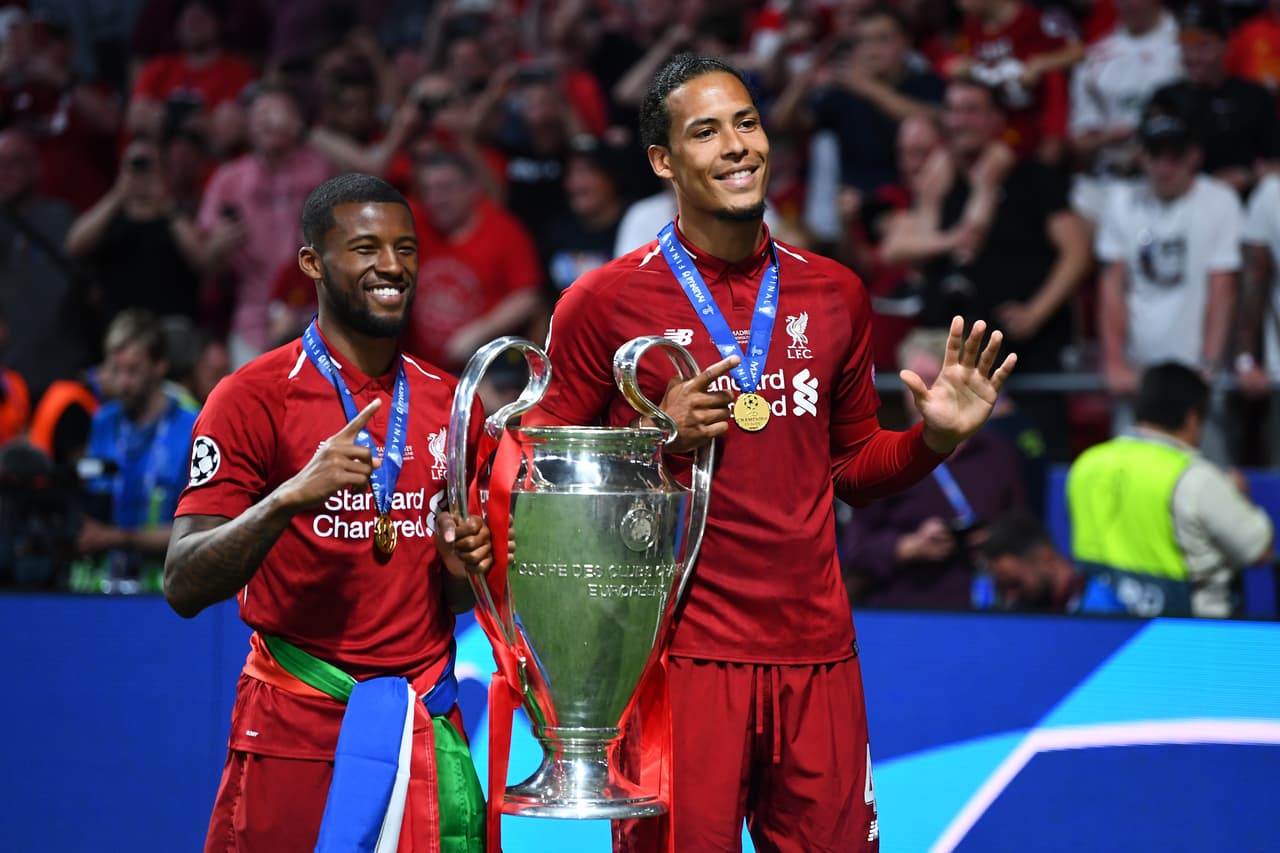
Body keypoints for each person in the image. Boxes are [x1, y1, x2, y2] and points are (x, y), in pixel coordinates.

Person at [522, 54, 1016, 853]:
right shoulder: (603, 302)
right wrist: (656, 439)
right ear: (663, 162)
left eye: (746, 123)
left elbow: (852, 468)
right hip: (679, 659)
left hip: (818, 651)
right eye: (706, 131)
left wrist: (934, 441)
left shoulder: (835, 293)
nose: (736, 147)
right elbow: (538, 475)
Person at [164, 173, 492, 852]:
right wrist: (288, 497)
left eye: (405, 247)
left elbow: (454, 596)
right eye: (366, 247)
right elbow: (184, 582)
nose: (393, 266)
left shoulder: (453, 404)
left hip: (418, 724)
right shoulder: (251, 397)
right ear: (312, 261)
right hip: (295, 722)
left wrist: (465, 566)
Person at [1066, 362, 1275, 618]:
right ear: (1192, 417)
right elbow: (1259, 550)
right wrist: (1241, 495)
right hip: (1185, 639)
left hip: (1100, 629)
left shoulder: (1086, 464)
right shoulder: (1198, 479)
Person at [841, 328, 1026, 610]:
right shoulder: (884, 455)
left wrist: (992, 540)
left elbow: (1024, 527)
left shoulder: (996, 453)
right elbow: (854, 551)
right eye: (910, 383)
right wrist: (909, 546)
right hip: (908, 612)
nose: (919, 393)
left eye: (929, 380)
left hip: (985, 610)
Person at [1095, 109, 1242, 461]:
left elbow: (1222, 289)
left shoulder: (1219, 200)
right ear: (1142, 157)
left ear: (1195, 156)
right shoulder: (1121, 201)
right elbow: (1113, 285)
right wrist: (1114, 360)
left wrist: (1208, 364)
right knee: (1135, 475)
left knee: (1207, 476)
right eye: (1155, 155)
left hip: (1196, 374)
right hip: (1140, 376)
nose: (1164, 166)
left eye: (1175, 156)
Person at [74, 309, 199, 594]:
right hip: (104, 587)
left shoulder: (192, 426)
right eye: (116, 370)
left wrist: (116, 538)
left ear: (160, 365)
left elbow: (198, 530)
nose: (123, 383)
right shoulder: (103, 421)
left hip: (167, 589)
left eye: (133, 371)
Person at [978, 509, 1124, 613]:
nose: (1011, 596)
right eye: (1002, 588)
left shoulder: (1103, 608)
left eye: (1015, 583)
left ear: (1046, 558)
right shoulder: (1024, 616)